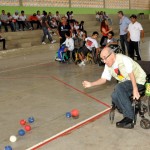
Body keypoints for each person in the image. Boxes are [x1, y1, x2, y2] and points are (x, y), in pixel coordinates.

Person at [82, 46, 146, 129]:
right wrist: (91, 84)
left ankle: (130, 119)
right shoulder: (108, 65)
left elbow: (131, 74)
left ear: (112, 54)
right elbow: (103, 79)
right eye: (102, 59)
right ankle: (130, 110)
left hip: (138, 81)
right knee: (114, 96)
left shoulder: (123, 59)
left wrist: (135, 89)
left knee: (118, 87)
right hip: (126, 84)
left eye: (105, 58)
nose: (104, 61)